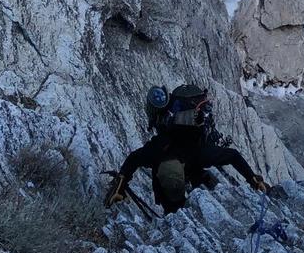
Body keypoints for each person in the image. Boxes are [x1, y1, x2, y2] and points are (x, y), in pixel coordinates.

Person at [105, 83, 269, 214]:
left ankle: (174, 211)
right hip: (196, 166)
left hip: (175, 180)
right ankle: (194, 200)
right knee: (189, 174)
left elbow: (134, 159)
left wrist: (120, 185)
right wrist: (253, 179)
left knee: (169, 174)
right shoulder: (201, 148)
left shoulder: (161, 147)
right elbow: (233, 155)